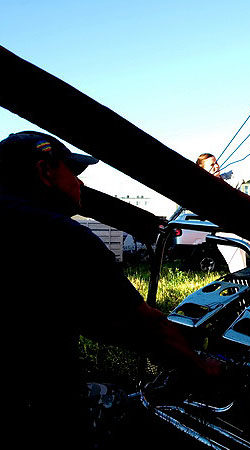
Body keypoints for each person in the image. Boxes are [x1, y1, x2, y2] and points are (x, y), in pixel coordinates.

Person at [0, 131, 220, 448]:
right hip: (38, 406)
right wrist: (201, 366)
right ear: (45, 171)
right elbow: (142, 328)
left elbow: (97, 322)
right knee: (145, 414)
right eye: (73, 172)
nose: (81, 184)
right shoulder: (60, 236)